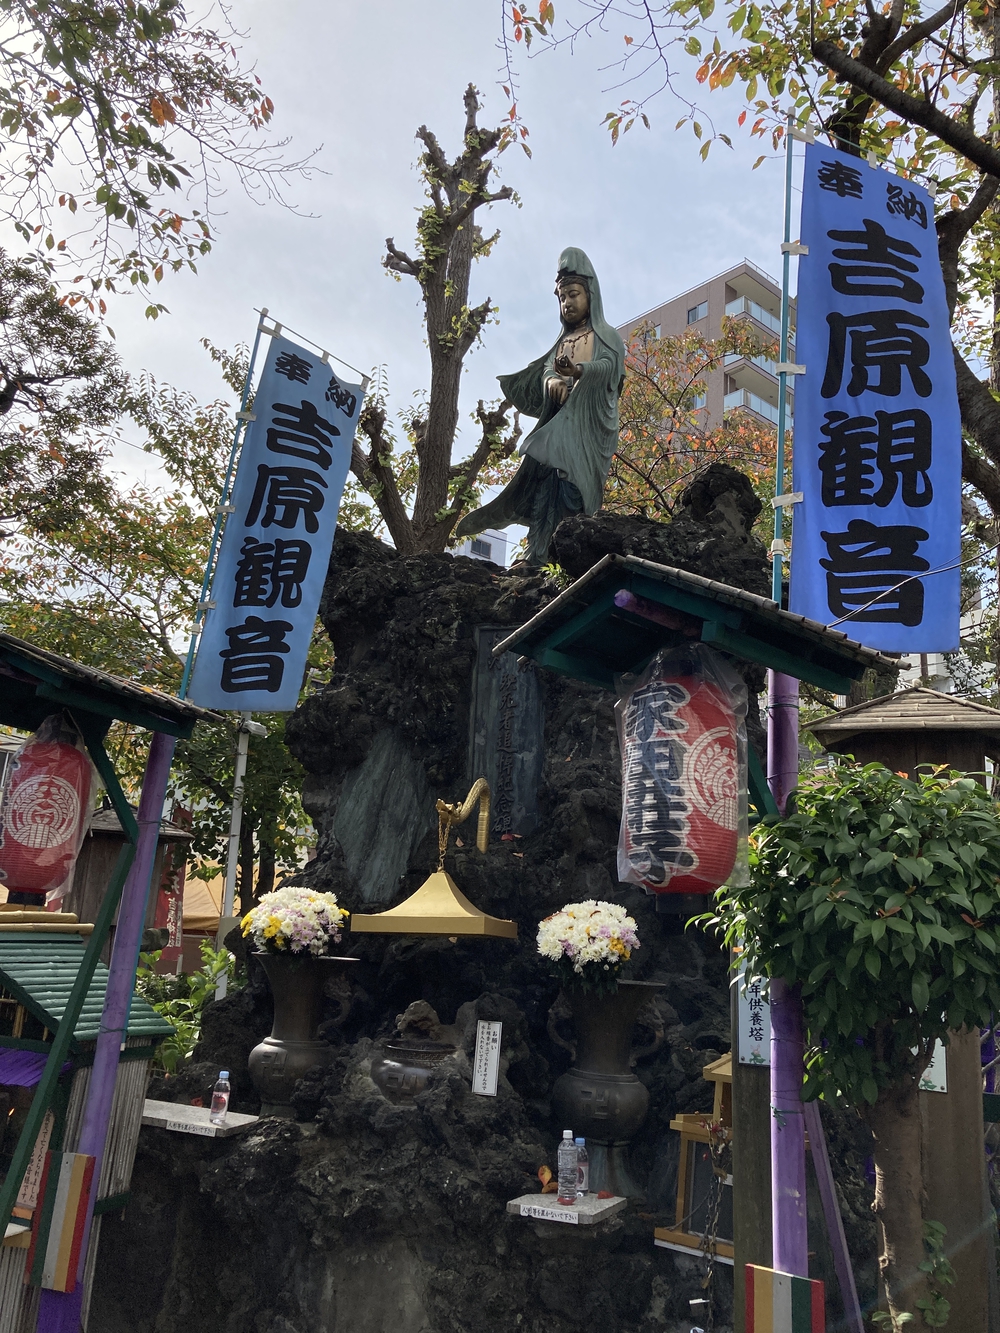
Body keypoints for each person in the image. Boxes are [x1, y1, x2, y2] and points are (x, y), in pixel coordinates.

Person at [456, 246, 625, 568]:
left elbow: (610, 370)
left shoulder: (607, 337)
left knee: (572, 491)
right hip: (556, 425)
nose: (567, 303)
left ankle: (565, 556)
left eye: (573, 294)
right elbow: (548, 371)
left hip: (585, 431)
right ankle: (536, 554)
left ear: (591, 294)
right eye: (562, 297)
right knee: (544, 489)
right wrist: (552, 382)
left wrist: (579, 372)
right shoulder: (563, 341)